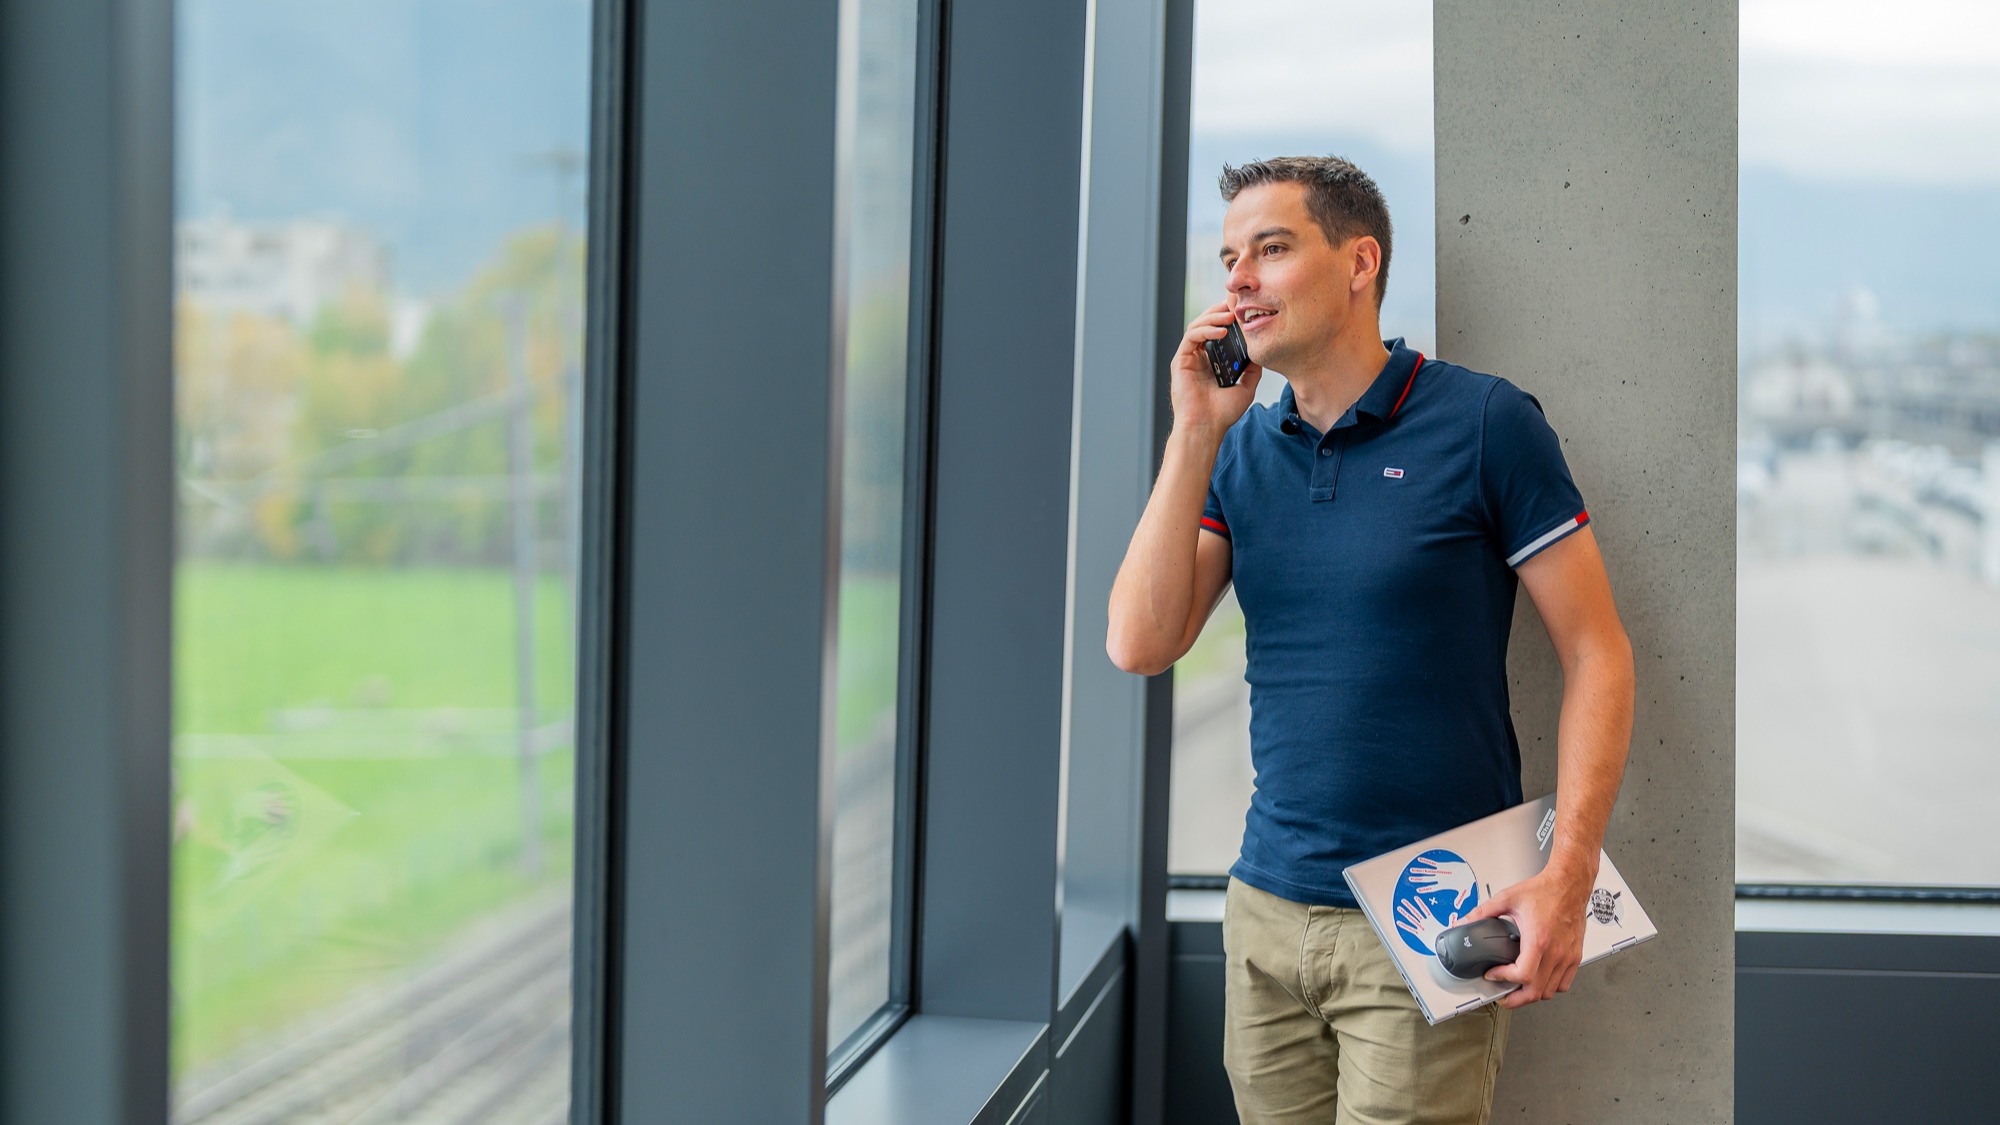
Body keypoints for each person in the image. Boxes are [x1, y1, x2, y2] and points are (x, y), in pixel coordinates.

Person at [1106, 155, 1635, 1124]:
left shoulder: (1483, 424)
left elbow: (1596, 652)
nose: (1236, 280)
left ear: (1359, 263)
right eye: (1228, 258)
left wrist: (1567, 874)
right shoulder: (1238, 454)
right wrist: (1193, 432)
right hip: (1263, 910)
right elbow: (1140, 643)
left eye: (1269, 249)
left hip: (1428, 910)